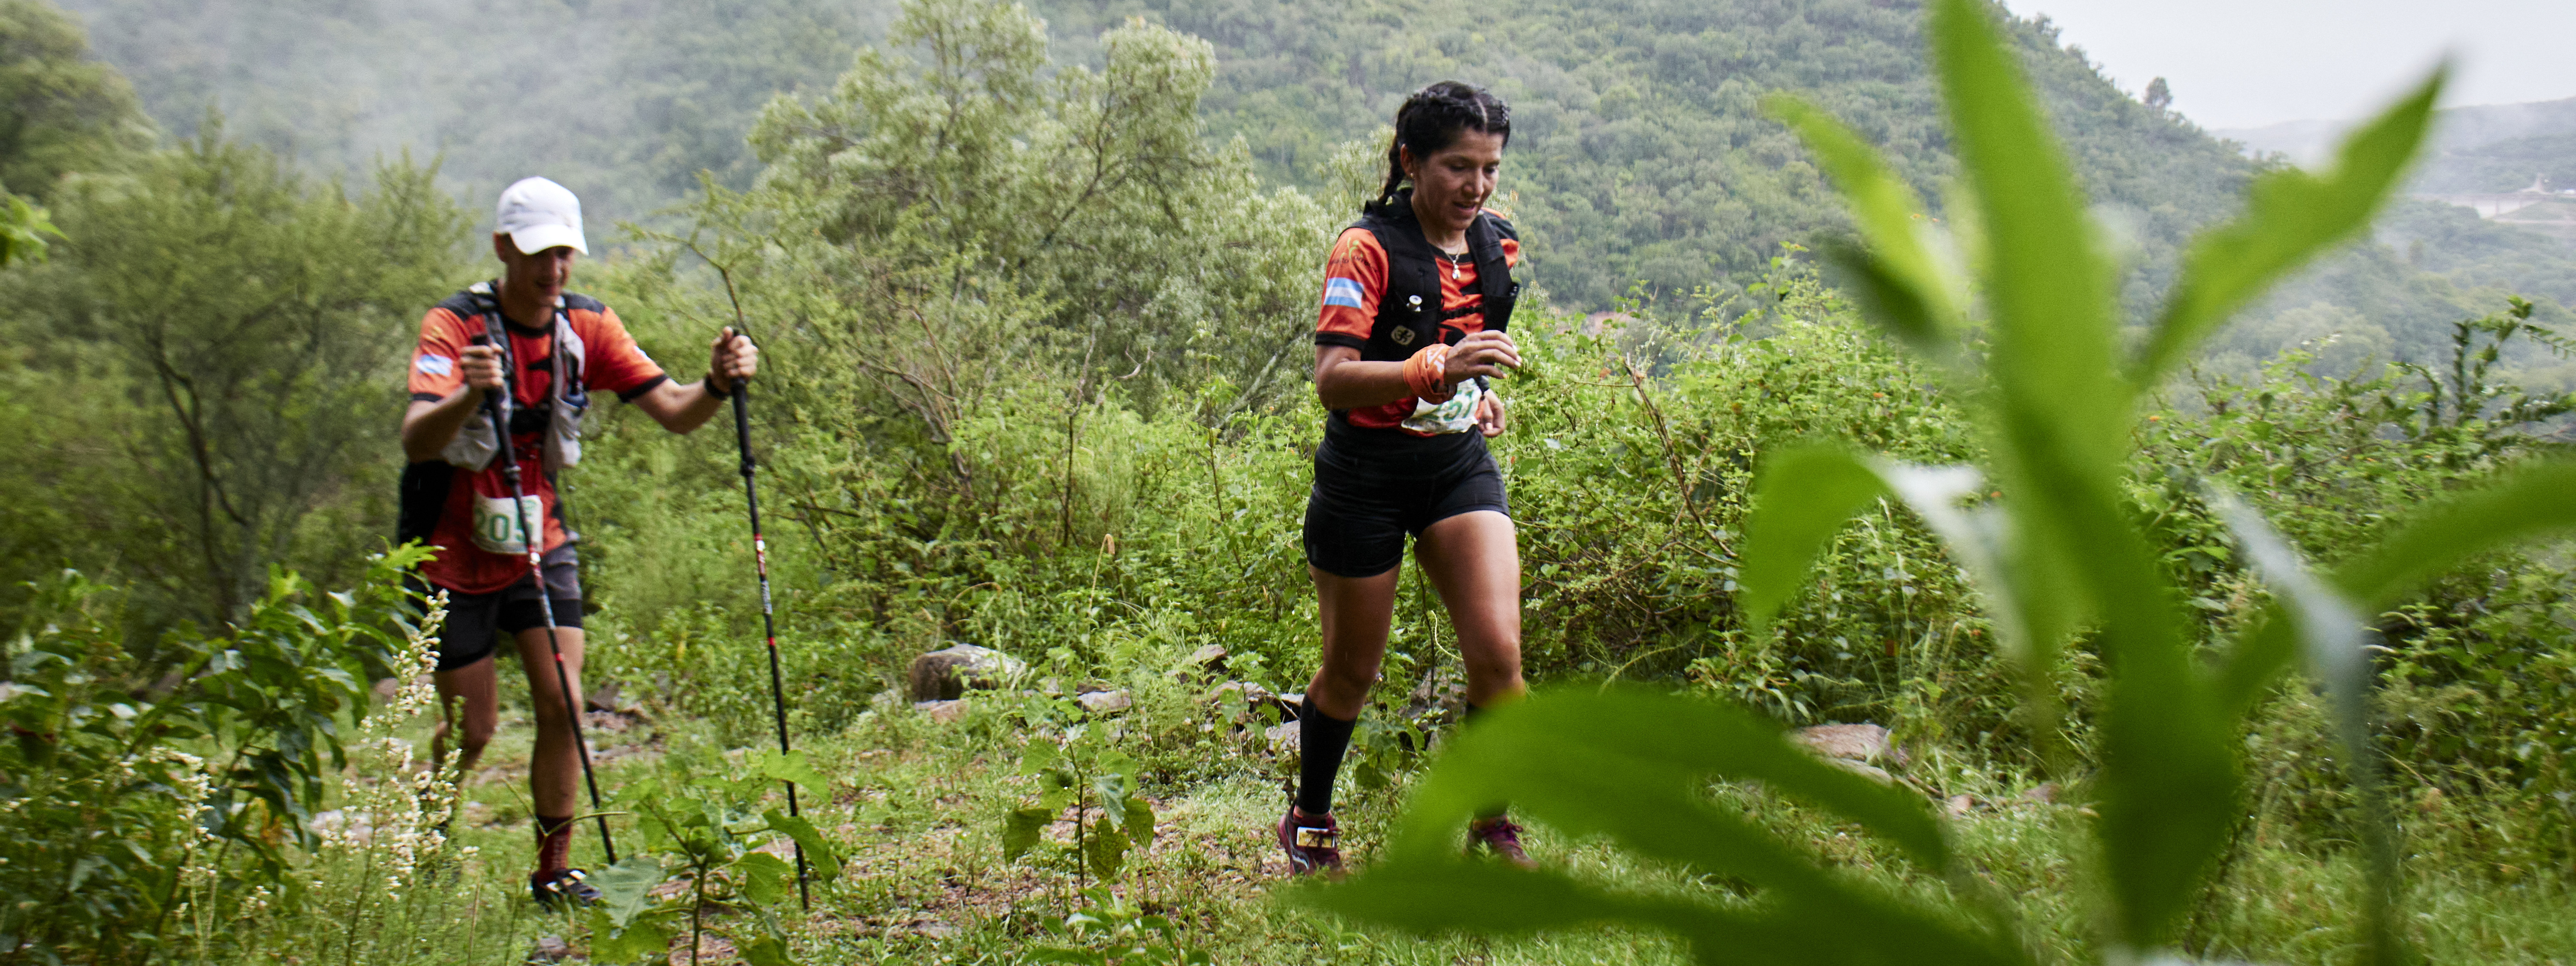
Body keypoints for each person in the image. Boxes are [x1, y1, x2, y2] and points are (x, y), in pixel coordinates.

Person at [397, 176, 758, 907]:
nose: (553, 269)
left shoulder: (586, 327)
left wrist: (717, 384)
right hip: (451, 549)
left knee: (563, 702)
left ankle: (553, 871)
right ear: (504, 248)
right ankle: (432, 828)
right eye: (538, 253)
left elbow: (676, 412)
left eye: (565, 253)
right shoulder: (454, 325)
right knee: (475, 729)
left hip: (541, 536)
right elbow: (417, 439)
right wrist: (470, 393)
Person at [1282, 82, 1531, 875]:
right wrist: (1434, 368)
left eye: (1489, 168)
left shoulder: (1499, 247)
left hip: (1454, 466)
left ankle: (1491, 823)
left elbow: (1469, 355)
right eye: (1459, 166)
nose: (1476, 187)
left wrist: (1478, 394)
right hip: (1363, 475)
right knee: (1353, 670)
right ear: (1409, 161)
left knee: (1499, 656)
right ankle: (1311, 818)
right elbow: (1333, 378)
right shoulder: (1367, 249)